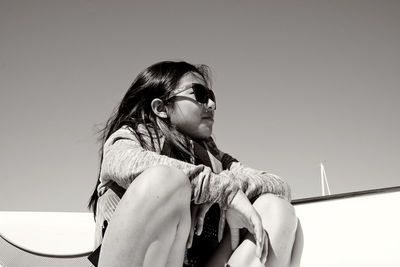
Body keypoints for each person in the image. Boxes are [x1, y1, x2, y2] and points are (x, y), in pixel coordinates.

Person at [88, 61, 303, 267]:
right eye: (199, 94)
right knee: (165, 181)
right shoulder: (127, 139)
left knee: (278, 210)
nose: (211, 105)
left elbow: (281, 186)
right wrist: (219, 191)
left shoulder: (217, 159)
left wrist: (227, 188)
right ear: (161, 107)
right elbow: (127, 164)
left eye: (211, 96)